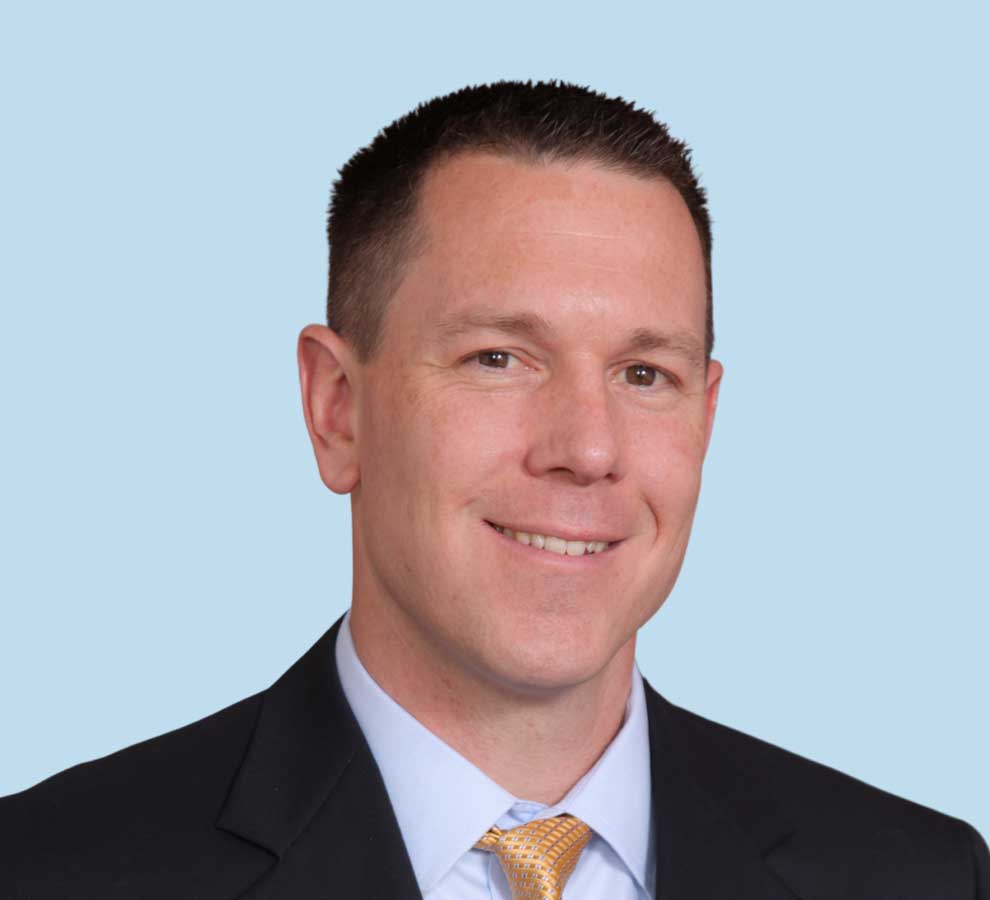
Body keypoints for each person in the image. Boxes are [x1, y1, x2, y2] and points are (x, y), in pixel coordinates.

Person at [0, 80, 986, 899]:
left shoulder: (918, 878)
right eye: (500, 358)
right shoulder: (52, 871)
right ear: (338, 409)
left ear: (707, 417)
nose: (588, 450)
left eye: (645, 374)